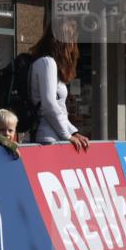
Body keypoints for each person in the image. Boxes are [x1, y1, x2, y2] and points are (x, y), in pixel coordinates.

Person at [29, 21, 89, 152]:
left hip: (53, 136)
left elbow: (56, 108)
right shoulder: (47, 63)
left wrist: (73, 132)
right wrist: (67, 135)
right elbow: (49, 104)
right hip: (48, 138)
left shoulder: (47, 63)